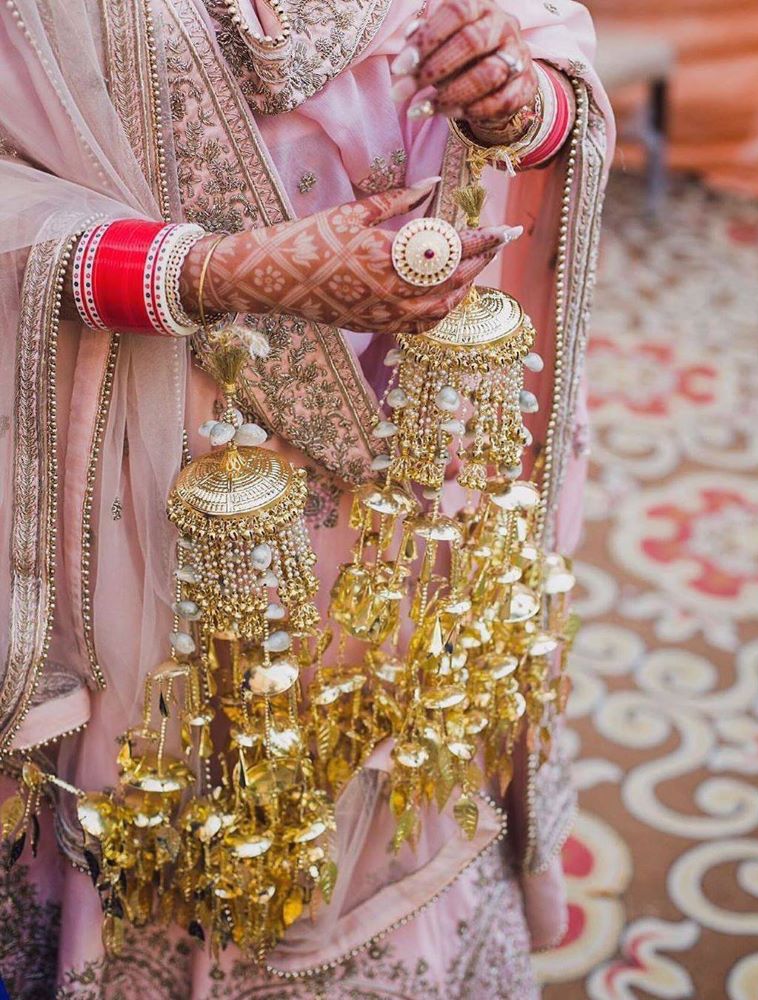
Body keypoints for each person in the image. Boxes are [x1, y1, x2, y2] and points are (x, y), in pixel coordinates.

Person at [0, 1, 613, 996]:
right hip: (157, 470)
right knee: (179, 767)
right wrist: (219, 270)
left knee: (395, 748)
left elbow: (545, 60)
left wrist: (514, 99)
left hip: (420, 443)